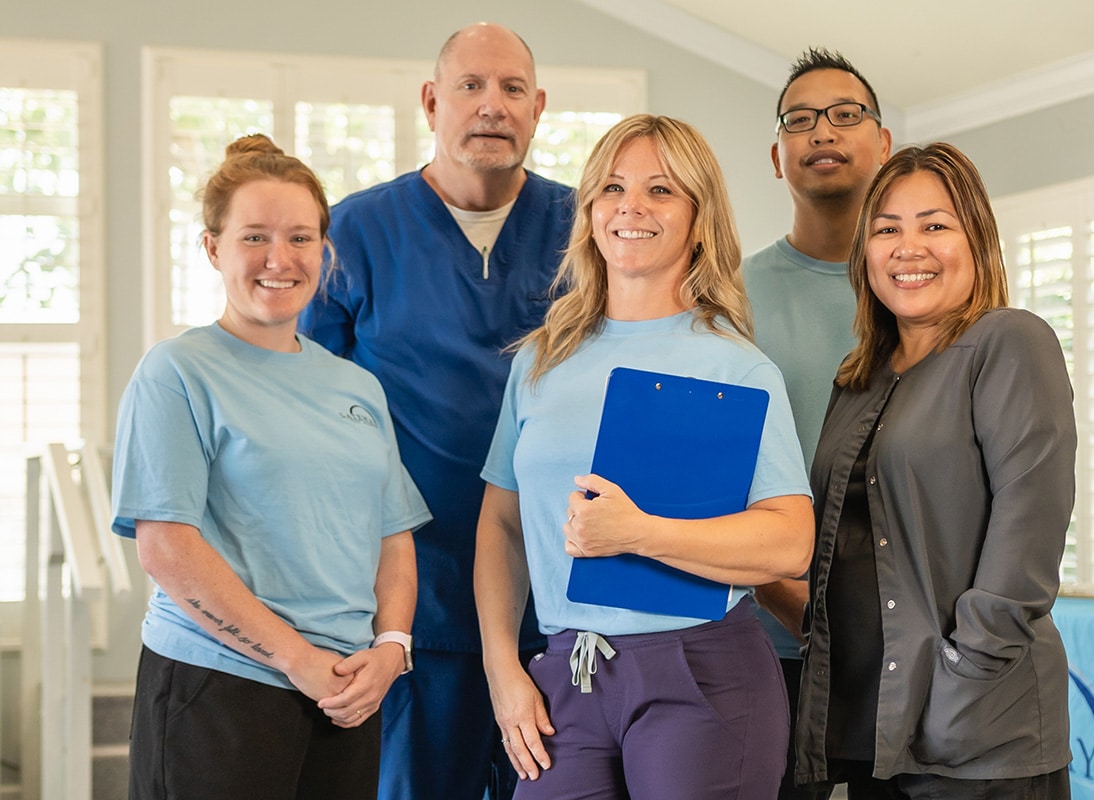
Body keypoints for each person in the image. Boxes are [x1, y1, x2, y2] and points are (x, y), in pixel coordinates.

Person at [474, 114, 815, 800]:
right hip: (568, 671)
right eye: (612, 187)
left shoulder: (738, 369)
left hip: (702, 671)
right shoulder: (542, 359)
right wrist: (504, 672)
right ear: (590, 211)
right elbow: (502, 525)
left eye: (661, 190)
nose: (631, 206)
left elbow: (790, 541)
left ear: (698, 219)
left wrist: (638, 534)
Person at [298, 22, 573, 800]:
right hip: (413, 600)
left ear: (538, 107)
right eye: (471, 86)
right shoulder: (354, 231)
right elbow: (308, 407)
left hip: (555, 598)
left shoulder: (587, 228)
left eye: (512, 89)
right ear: (431, 101)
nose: (492, 106)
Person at [110, 134, 430, 800]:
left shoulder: (356, 387)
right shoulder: (177, 372)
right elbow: (166, 547)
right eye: (254, 237)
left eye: (300, 238)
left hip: (346, 694)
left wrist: (392, 648)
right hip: (221, 688)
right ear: (212, 248)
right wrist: (298, 660)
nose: (278, 260)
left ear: (325, 250)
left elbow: (392, 536)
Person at [794, 142, 1075, 799]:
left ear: (976, 239)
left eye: (935, 225)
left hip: (978, 738)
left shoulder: (1010, 342)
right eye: (887, 228)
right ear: (865, 253)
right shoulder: (855, 380)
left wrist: (963, 676)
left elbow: (1027, 536)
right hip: (869, 731)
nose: (907, 246)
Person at [741, 48, 892, 800]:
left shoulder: (920, 290)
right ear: (777, 155)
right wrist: (786, 598)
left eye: (845, 114)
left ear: (883, 144)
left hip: (904, 647)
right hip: (770, 645)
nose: (822, 132)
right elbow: (713, 478)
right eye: (800, 120)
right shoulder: (728, 298)